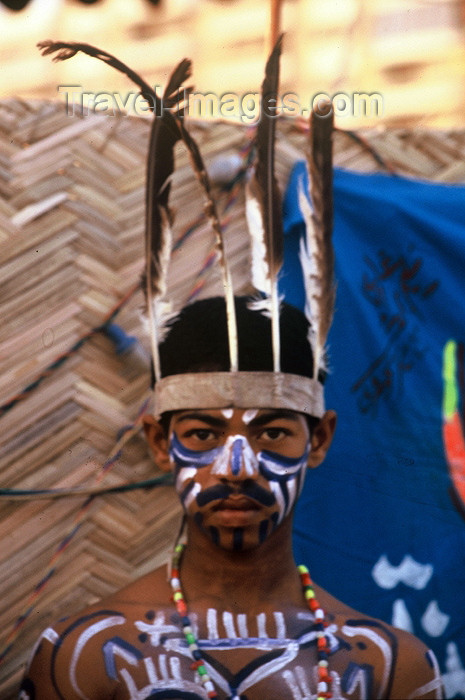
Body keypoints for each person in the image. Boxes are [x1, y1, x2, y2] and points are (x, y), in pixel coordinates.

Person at [21, 296, 444, 700]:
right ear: (159, 442)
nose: (236, 468)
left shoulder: (394, 668)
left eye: (272, 433)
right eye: (203, 435)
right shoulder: (84, 656)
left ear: (318, 439)